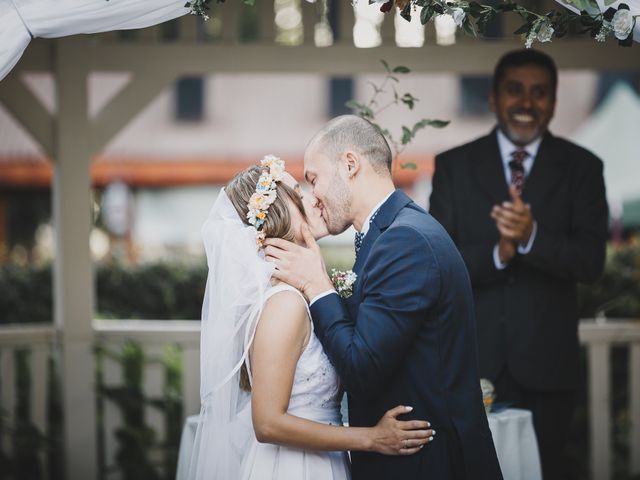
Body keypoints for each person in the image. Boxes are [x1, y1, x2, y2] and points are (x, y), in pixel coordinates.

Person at [263, 116, 503, 480]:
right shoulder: (390, 233)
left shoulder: (405, 241)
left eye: (314, 180)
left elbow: (363, 367)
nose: (313, 197)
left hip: (428, 464)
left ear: (349, 164)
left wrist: (317, 285)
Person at [187, 157, 434, 480]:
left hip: (319, 460)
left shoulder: (301, 294)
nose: (311, 198)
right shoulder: (285, 304)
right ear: (274, 211)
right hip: (294, 467)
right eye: (297, 193)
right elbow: (267, 423)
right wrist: (372, 438)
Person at [429, 49, 609, 480]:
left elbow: (591, 262)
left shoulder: (584, 168)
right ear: (493, 98)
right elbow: (437, 266)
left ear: (553, 102)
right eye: (514, 90)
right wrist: (500, 252)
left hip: (549, 370)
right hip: (471, 364)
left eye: (540, 93)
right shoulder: (453, 166)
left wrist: (531, 239)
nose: (526, 102)